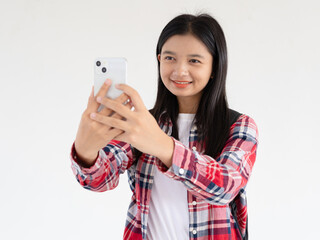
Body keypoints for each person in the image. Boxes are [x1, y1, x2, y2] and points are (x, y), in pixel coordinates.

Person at [70, 13, 259, 240]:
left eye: (194, 61)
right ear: (159, 59)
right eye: (169, 58)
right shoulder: (143, 123)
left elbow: (226, 186)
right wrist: (85, 150)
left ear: (214, 67)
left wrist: (163, 146)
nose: (179, 70)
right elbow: (99, 180)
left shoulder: (239, 126)